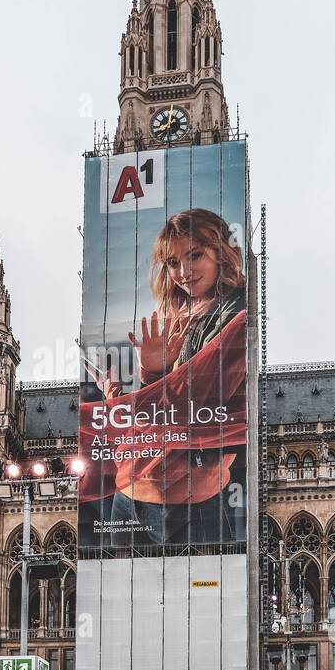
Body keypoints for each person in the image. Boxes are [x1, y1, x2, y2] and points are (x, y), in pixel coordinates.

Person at [91, 207, 248, 548]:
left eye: (195, 255)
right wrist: (150, 373)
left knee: (205, 598)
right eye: (173, 263)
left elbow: (187, 406)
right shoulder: (175, 312)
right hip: (130, 495)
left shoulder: (236, 319)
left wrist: (119, 398)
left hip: (192, 503)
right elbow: (161, 413)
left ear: (221, 253)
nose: (183, 272)